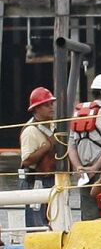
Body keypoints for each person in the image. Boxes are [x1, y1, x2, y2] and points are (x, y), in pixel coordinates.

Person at [18, 87, 62, 229]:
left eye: (51, 104)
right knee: (36, 221)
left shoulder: (53, 126)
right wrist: (47, 147)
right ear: (36, 109)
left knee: (53, 217)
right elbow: (27, 160)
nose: (51, 107)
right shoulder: (30, 131)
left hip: (51, 179)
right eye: (46, 105)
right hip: (35, 180)